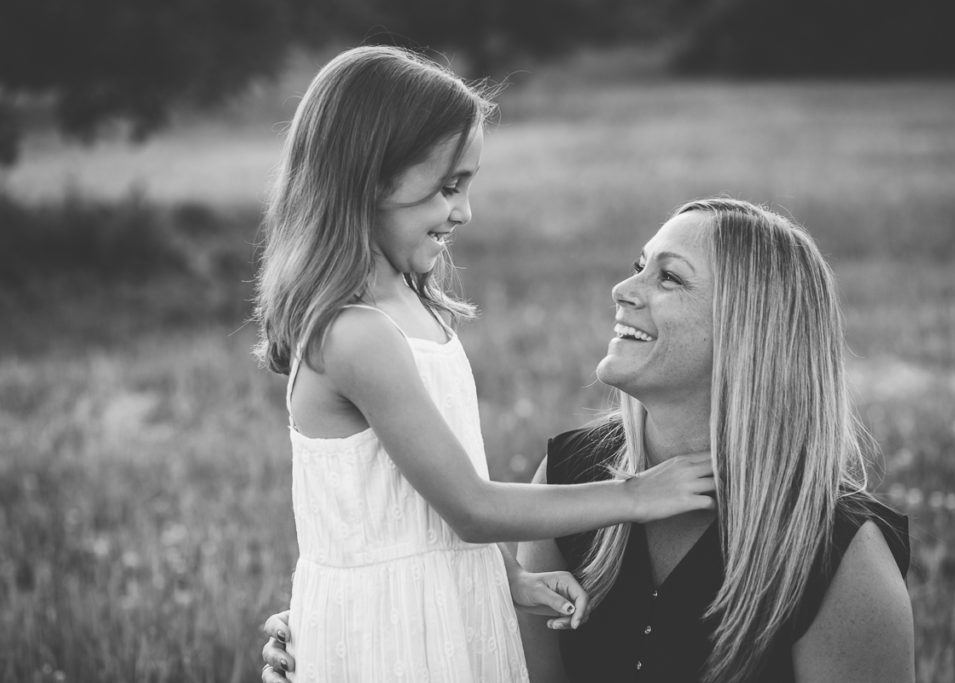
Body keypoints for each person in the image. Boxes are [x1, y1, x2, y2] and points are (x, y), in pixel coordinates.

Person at [262, 198, 914, 683]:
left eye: (670, 277)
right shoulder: (572, 475)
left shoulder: (838, 552)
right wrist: (349, 644)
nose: (623, 290)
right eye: (638, 267)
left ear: (751, 332)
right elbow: (502, 664)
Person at [252, 46, 716, 683]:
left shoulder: (411, 308)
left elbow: (435, 491)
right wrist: (636, 495)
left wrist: (510, 577)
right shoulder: (355, 334)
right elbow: (469, 505)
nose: (464, 212)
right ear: (373, 178)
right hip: (388, 634)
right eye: (448, 187)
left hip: (441, 605)